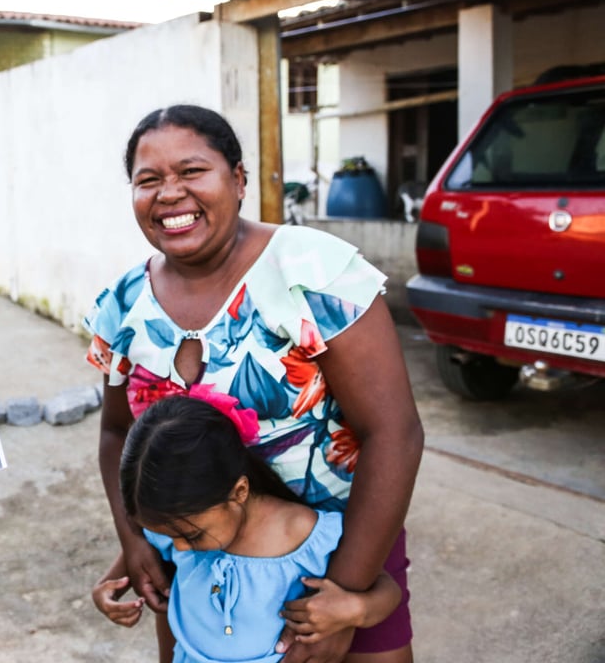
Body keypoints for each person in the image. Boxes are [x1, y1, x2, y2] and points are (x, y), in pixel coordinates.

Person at [83, 105, 423, 663]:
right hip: (199, 563)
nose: (170, 193)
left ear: (238, 180)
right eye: (149, 180)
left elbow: (395, 433)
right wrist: (136, 540)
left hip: (344, 549)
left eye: (192, 172)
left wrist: (342, 598)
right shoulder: (122, 306)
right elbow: (118, 434)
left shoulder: (313, 272)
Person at [92, 395, 401, 663]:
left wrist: (352, 610)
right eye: (172, 537)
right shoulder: (179, 526)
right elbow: (143, 550)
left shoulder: (307, 535)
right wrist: (108, 586)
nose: (179, 548)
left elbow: (388, 591)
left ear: (238, 492)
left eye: (192, 536)